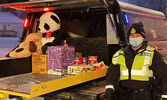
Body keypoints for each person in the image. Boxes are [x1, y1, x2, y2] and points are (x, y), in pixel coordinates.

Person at [105, 22, 167, 100]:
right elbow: (111, 74)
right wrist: (109, 90)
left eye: (137, 35)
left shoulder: (152, 54)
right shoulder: (119, 55)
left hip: (145, 96)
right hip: (124, 96)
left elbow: (164, 75)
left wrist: (165, 95)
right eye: (132, 36)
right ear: (129, 38)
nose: (134, 38)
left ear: (143, 38)